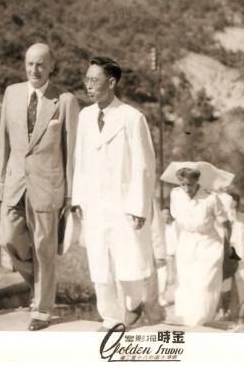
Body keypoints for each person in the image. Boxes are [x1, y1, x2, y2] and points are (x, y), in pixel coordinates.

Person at [0, 43, 79, 331]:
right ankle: (43, 284)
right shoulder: (12, 93)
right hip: (16, 183)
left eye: (41, 64)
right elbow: (3, 140)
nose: (34, 69)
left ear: (51, 66)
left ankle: (42, 310)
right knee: (9, 237)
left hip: (48, 186)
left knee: (44, 248)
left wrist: (69, 192)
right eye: (30, 63)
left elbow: (71, 150)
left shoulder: (65, 101)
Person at [71, 56, 157, 331]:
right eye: (86, 80)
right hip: (94, 204)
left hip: (123, 203)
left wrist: (139, 207)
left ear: (112, 82)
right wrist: (78, 199)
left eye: (94, 80)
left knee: (128, 260)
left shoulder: (132, 118)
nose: (89, 85)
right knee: (99, 262)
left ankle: (133, 305)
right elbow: (79, 160)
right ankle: (109, 318)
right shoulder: (85, 117)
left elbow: (145, 166)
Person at [170, 167, 230, 326]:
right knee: (186, 282)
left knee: (205, 283)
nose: (186, 188)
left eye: (189, 184)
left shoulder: (211, 198)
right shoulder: (175, 195)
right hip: (186, 242)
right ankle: (189, 321)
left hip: (208, 243)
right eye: (182, 184)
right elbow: (176, 220)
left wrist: (228, 245)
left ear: (197, 181)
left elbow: (225, 223)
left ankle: (202, 319)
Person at [220, 192, 244, 320]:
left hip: (240, 256)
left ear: (238, 203)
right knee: (225, 285)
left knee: (242, 285)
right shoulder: (221, 219)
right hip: (225, 256)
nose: (232, 204)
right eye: (230, 201)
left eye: (235, 201)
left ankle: (242, 313)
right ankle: (225, 312)